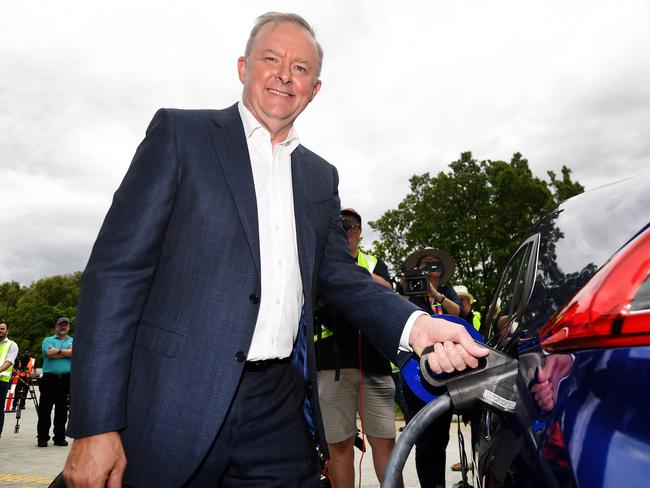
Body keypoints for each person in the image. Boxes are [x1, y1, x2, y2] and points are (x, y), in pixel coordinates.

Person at [63, 12, 486, 487]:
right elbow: (114, 277)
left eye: (301, 68)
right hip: (173, 401)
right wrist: (96, 425)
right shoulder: (181, 137)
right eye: (272, 59)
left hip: (279, 407)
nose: (286, 75)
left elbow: (341, 277)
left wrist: (418, 324)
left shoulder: (319, 178)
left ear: (315, 89)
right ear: (244, 67)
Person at [315, 208, 400, 487]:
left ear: (360, 232)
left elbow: (389, 290)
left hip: (374, 365)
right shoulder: (320, 262)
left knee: (385, 444)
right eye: (340, 225)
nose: (346, 230)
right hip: (332, 366)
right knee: (338, 446)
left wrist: (354, 271)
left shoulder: (373, 262)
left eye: (352, 226)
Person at [402, 247, 462, 488]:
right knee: (424, 437)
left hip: (446, 370)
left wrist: (434, 293)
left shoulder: (446, 291)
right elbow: (394, 313)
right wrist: (410, 290)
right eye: (424, 265)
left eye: (434, 265)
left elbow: (460, 312)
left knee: (440, 435)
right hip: (414, 372)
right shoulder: (408, 291)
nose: (430, 269)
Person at [37, 317, 73, 447]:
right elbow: (49, 354)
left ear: (68, 327)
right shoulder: (48, 340)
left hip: (65, 379)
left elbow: (75, 353)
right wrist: (66, 352)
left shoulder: (73, 340)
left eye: (65, 325)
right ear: (55, 327)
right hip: (49, 379)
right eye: (60, 325)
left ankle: (59, 437)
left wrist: (57, 351)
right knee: (45, 410)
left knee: (62, 410)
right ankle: (42, 437)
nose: (63, 327)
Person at [0, 322, 19, 439]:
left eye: (2, 329)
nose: (0, 330)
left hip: (1, 381)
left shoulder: (12, 345)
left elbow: (9, 361)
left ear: (7, 331)